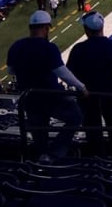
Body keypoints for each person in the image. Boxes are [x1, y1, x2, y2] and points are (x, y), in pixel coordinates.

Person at [6, 10, 87, 159]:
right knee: (76, 116)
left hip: (29, 98)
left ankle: (42, 163)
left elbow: (11, 70)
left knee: (39, 136)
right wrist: (81, 87)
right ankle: (56, 152)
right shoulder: (48, 48)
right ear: (46, 28)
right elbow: (62, 72)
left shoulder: (16, 46)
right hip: (51, 96)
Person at [66, 12, 112, 156]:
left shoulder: (78, 49)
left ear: (87, 30)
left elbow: (69, 73)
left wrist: (80, 87)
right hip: (109, 93)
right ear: (102, 27)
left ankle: (96, 160)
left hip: (87, 96)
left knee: (92, 130)